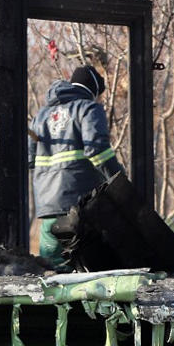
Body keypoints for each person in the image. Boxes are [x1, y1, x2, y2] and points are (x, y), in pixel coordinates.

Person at [29, 65, 125, 266]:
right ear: (94, 91)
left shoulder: (41, 116)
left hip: (48, 206)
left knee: (51, 270)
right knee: (88, 269)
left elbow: (29, 160)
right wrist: (118, 180)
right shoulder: (88, 109)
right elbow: (97, 151)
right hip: (80, 206)